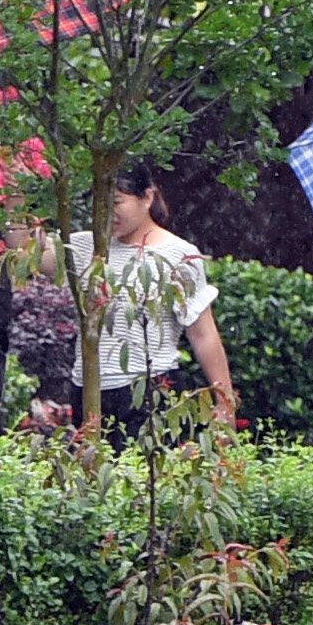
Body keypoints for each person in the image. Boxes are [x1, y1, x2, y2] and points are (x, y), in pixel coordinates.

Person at [73, 159, 240, 438]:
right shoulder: (83, 246)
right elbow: (23, 252)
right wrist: (14, 195)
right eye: (100, 203)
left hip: (149, 390)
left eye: (116, 202)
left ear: (147, 197)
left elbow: (202, 333)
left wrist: (224, 402)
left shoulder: (177, 254)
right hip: (87, 390)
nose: (107, 212)